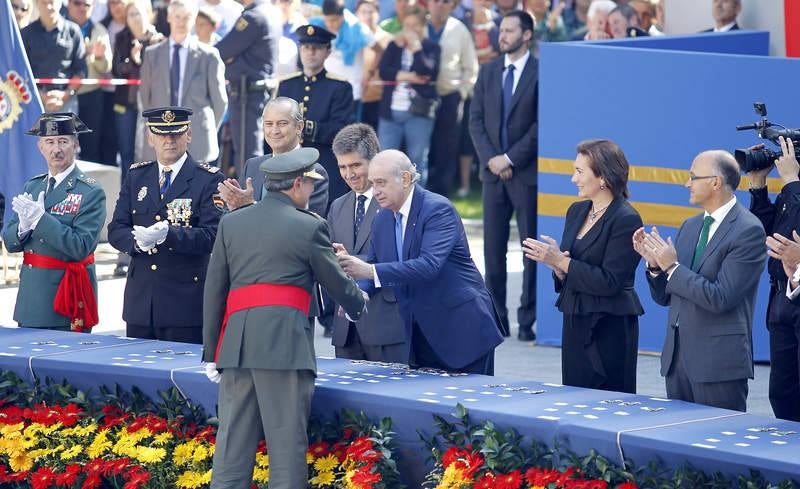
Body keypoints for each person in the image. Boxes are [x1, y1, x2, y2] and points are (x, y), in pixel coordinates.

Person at [203, 148, 366, 489]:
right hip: (284, 346)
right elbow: (334, 280)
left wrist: (210, 351)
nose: (310, 191)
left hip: (237, 345)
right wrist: (358, 304)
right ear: (295, 184)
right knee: (285, 445)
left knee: (232, 447)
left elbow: (215, 289)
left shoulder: (232, 222)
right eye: (309, 184)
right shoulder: (308, 226)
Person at [337, 149, 504, 374]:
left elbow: (428, 266)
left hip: (462, 331)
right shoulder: (382, 218)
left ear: (405, 178)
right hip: (419, 334)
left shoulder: (437, 209)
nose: (375, 191)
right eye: (373, 184)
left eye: (381, 183)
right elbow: (376, 265)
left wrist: (368, 271)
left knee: (470, 407)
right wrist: (358, 295)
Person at [634, 150, 766, 412]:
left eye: (693, 177)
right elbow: (665, 297)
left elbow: (721, 298)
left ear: (716, 182)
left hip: (718, 365)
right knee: (677, 446)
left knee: (719, 447)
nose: (687, 183)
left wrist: (671, 266)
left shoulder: (748, 230)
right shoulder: (690, 226)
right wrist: (655, 267)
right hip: (677, 361)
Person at [523, 140, 643, 393]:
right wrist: (558, 268)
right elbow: (573, 266)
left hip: (609, 326)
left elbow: (611, 281)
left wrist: (559, 260)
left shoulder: (626, 218)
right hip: (576, 319)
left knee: (608, 402)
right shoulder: (576, 211)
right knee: (574, 396)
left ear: (603, 177)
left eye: (579, 171)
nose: (573, 179)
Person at [107, 107, 225, 344]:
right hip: (141, 302)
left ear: (189, 135)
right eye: (161, 134)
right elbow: (116, 228)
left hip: (184, 303)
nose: (169, 141)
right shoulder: (137, 176)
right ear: (150, 138)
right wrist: (136, 242)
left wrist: (169, 235)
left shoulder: (208, 179)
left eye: (176, 134)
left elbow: (213, 236)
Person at [2, 113, 106, 332]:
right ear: (40, 147)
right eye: (49, 142)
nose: (56, 149)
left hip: (66, 296)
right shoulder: (33, 186)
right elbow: (10, 242)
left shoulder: (89, 190)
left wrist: (40, 220)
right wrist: (23, 227)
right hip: (31, 298)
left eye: (63, 142)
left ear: (76, 145)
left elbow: (80, 247)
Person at [470, 10, 538, 341]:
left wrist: (511, 157)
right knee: (493, 252)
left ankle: (528, 320)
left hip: (526, 175)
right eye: (502, 30)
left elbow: (542, 124)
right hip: (493, 175)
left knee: (531, 250)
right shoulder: (488, 71)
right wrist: (493, 160)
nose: (503, 35)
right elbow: (476, 121)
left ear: (527, 35)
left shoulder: (541, 72)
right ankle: (498, 317)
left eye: (510, 30)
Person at [329, 124, 406, 362]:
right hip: (346, 330)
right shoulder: (337, 206)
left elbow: (403, 257)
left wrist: (352, 262)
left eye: (355, 165)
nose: (349, 174)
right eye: (342, 166)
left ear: (374, 162)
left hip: (387, 326)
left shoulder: (396, 201)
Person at [748, 136, 800, 421]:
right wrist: (758, 185)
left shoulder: (795, 191)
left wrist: (792, 180)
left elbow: (796, 231)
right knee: (782, 392)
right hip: (781, 299)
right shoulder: (791, 195)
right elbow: (765, 234)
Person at [138, 0, 228, 164]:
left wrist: (205, 129)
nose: (181, 22)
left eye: (186, 17)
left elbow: (220, 102)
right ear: (169, 18)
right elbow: (145, 98)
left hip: (198, 140)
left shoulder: (209, 55)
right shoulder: (152, 54)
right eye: (177, 17)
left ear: (193, 19)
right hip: (161, 137)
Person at [277, 24, 355, 204]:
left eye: (317, 48)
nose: (310, 52)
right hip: (289, 162)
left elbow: (340, 132)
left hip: (323, 163)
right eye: (306, 47)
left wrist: (302, 128)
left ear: (327, 51)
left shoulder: (340, 87)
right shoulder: (287, 85)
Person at [217, 97, 330, 216]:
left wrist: (250, 205)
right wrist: (233, 205)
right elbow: (233, 216)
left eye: (282, 123)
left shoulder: (314, 172)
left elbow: (307, 225)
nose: (274, 131)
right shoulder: (253, 165)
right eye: (269, 124)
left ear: (299, 127)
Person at [216, 0, 282, 175]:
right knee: (250, 150)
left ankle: (249, 198)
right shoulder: (269, 11)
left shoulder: (253, 16)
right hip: (256, 91)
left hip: (248, 94)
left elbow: (221, 52)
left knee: (247, 153)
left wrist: (232, 59)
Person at [376, 6, 440, 188]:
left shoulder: (431, 48)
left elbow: (427, 71)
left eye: (415, 25)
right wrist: (409, 77)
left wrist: (417, 49)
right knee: (386, 159)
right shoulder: (394, 46)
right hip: (390, 112)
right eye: (407, 25)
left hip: (418, 112)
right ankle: (386, 199)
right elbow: (384, 72)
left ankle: (418, 202)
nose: (410, 30)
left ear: (423, 26)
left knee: (417, 160)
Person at [425, 0, 478, 197]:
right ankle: (419, 188)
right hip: (421, 96)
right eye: (435, 1)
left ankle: (441, 192)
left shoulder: (459, 29)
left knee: (447, 146)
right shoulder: (419, 25)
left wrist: (462, 92)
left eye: (445, 2)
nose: (439, 5)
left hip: (450, 96)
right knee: (420, 145)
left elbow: (470, 66)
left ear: (453, 6)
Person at [67, 0, 114, 164]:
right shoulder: (59, 27)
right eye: (77, 3)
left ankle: (88, 188)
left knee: (90, 146)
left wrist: (98, 56)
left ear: (92, 7)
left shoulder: (100, 30)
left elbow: (107, 66)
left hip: (91, 95)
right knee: (61, 146)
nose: (81, 8)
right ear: (68, 4)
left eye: (86, 5)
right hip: (64, 95)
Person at [21, 0, 87, 114]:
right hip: (33, 101)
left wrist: (65, 95)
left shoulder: (73, 31)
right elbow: (21, 71)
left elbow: (81, 71)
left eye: (52, 2)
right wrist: (39, 95)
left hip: (66, 102)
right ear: (36, 4)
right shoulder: (26, 34)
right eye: (44, 2)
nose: (48, 6)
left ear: (61, 3)